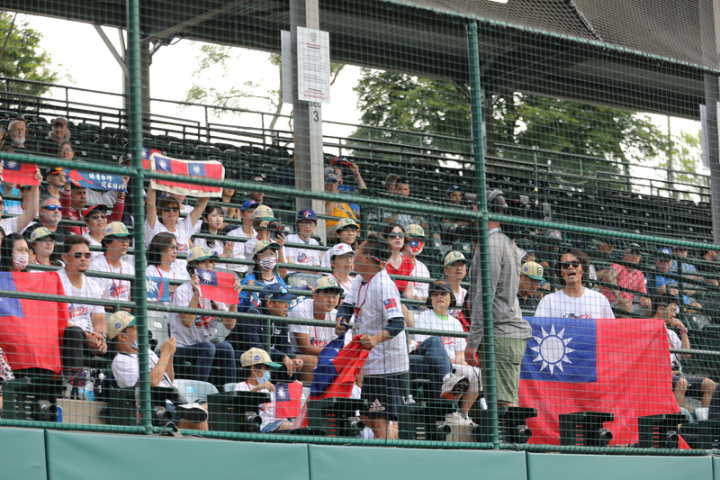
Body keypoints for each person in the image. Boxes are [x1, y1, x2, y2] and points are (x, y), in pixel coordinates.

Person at [336, 232, 408, 440]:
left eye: (358, 251)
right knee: (369, 415)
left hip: (388, 365)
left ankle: (390, 457)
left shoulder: (384, 286)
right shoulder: (361, 278)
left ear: (366, 257)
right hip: (372, 363)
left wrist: (376, 339)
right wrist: (341, 320)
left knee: (379, 419)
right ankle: (389, 449)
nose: (354, 255)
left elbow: (398, 323)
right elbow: (348, 306)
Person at [465, 190, 531, 408]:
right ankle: (507, 442)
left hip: (500, 335)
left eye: (475, 206)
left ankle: (511, 443)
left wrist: (472, 343)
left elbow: (485, 297)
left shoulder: (492, 244)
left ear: (487, 210)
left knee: (503, 404)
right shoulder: (503, 241)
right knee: (501, 402)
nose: (471, 210)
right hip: (503, 334)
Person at [108, 311, 209, 430]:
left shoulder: (148, 352)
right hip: (156, 411)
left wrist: (170, 356)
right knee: (197, 417)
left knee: (211, 408)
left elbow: (169, 380)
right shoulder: (121, 360)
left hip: (173, 404)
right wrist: (165, 355)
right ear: (122, 337)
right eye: (135, 329)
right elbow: (150, 384)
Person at [171, 246, 240, 386]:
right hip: (182, 347)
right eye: (205, 263)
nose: (210, 267)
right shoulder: (182, 291)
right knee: (208, 347)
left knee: (226, 347)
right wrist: (197, 293)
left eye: (211, 263)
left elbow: (230, 324)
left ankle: (231, 395)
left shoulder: (216, 291)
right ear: (193, 268)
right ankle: (198, 395)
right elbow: (187, 322)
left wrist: (234, 298)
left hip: (205, 345)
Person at [414, 280, 479, 422]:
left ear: (451, 298)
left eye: (443, 293)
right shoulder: (424, 317)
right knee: (458, 371)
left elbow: (460, 353)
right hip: (433, 364)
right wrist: (451, 360)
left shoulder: (455, 322)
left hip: (455, 362)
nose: (439, 297)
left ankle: (463, 413)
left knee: (476, 373)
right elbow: (423, 347)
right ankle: (451, 411)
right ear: (430, 298)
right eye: (435, 294)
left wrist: (459, 360)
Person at [227, 283, 303, 381]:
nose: (287, 305)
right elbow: (255, 348)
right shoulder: (253, 316)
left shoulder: (282, 318)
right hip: (241, 356)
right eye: (283, 302)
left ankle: (281, 394)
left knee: (293, 367)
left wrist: (292, 358)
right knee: (261, 360)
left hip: (263, 357)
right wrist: (282, 357)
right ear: (270, 303)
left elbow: (285, 346)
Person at [57, 236, 108, 383]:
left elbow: (99, 320)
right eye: (78, 255)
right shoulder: (56, 280)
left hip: (86, 337)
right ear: (65, 257)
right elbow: (58, 320)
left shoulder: (93, 285)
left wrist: (100, 337)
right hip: (63, 334)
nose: (83, 259)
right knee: (75, 333)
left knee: (118, 339)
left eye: (87, 255)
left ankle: (112, 392)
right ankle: (73, 382)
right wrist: (87, 336)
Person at [655, 294, 716, 411]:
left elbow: (686, 353)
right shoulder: (648, 329)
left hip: (677, 375)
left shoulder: (671, 333)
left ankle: (705, 425)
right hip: (660, 376)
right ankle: (679, 424)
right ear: (660, 309)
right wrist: (667, 372)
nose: (674, 315)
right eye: (672, 310)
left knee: (709, 384)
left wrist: (682, 329)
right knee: (682, 382)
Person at [288, 277, 343, 381]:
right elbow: (305, 348)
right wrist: (333, 352)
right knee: (312, 361)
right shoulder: (301, 310)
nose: (331, 300)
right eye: (326, 295)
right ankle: (311, 396)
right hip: (298, 355)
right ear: (314, 295)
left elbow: (341, 346)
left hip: (326, 355)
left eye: (334, 296)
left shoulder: (337, 315)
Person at [534, 249, 615, 319]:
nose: (570, 267)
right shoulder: (549, 301)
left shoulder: (599, 300)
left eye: (575, 264)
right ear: (561, 272)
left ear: (583, 269)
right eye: (565, 265)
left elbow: (611, 331)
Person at [234, 348, 296, 433]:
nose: (268, 373)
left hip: (281, 423)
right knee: (293, 427)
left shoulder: (271, 387)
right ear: (254, 370)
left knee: (301, 426)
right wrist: (257, 388)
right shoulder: (240, 386)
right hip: (262, 426)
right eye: (266, 369)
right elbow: (241, 406)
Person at [145, 187, 208, 271]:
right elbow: (150, 204)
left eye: (175, 209)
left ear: (179, 212)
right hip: (162, 276)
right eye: (167, 209)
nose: (171, 211)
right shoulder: (154, 227)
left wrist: (210, 188)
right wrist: (153, 181)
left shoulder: (183, 227)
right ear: (160, 212)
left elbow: (200, 206)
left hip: (184, 277)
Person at [598, 243, 652, 316]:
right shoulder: (619, 264)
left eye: (637, 254)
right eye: (632, 253)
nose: (634, 256)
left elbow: (643, 296)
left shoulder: (639, 274)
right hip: (609, 304)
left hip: (628, 306)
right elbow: (609, 276)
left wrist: (646, 301)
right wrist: (621, 299)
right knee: (626, 305)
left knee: (650, 308)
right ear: (625, 254)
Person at [88, 222, 134, 305]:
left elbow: (132, 300)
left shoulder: (130, 268)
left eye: (127, 239)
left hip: (126, 315)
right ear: (107, 242)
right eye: (120, 239)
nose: (125, 243)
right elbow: (100, 304)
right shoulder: (96, 267)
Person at [61, 182, 126, 236]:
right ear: (70, 195)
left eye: (84, 193)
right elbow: (65, 203)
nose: (83, 196)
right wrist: (67, 186)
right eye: (78, 193)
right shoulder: (66, 212)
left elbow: (113, 220)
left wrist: (121, 195)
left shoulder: (88, 215)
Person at [242, 205, 288, 278]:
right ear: (258, 222)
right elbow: (262, 269)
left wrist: (280, 250)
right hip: (257, 281)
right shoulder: (250, 244)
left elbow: (283, 275)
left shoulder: (276, 244)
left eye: (271, 221)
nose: (269, 224)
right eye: (267, 221)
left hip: (274, 283)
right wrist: (263, 234)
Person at [192, 203, 234, 268]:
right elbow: (200, 265)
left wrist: (228, 255)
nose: (218, 219)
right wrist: (223, 255)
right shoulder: (200, 240)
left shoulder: (222, 240)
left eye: (221, 216)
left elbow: (227, 266)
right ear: (205, 219)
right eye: (214, 215)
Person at [285, 209, 322, 273]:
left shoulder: (315, 243)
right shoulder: (290, 238)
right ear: (297, 225)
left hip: (311, 277)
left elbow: (316, 267)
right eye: (304, 223)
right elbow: (289, 264)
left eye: (310, 223)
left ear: (315, 226)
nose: (307, 226)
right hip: (294, 276)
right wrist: (309, 271)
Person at [226, 200, 258, 274]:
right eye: (250, 212)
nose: (253, 215)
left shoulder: (258, 235)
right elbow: (233, 260)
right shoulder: (232, 234)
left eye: (255, 212)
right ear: (241, 214)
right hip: (237, 273)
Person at [325, 170, 359, 238]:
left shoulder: (342, 202)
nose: (332, 186)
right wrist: (333, 196)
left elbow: (351, 216)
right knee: (351, 234)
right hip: (334, 227)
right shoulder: (322, 198)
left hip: (351, 227)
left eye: (334, 182)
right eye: (329, 183)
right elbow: (327, 214)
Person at [382, 223, 414, 296]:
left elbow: (408, 294)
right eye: (393, 235)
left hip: (403, 300)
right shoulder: (381, 261)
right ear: (385, 239)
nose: (397, 237)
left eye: (401, 235)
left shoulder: (408, 263)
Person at [402, 224, 430, 304]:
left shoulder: (423, 267)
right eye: (414, 239)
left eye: (420, 240)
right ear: (405, 240)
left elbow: (425, 296)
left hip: (420, 308)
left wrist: (420, 301)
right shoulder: (397, 259)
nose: (418, 243)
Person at [444, 251, 470, 331]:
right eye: (454, 265)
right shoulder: (441, 293)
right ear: (446, 270)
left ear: (465, 270)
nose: (459, 268)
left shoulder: (467, 294)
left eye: (461, 265)